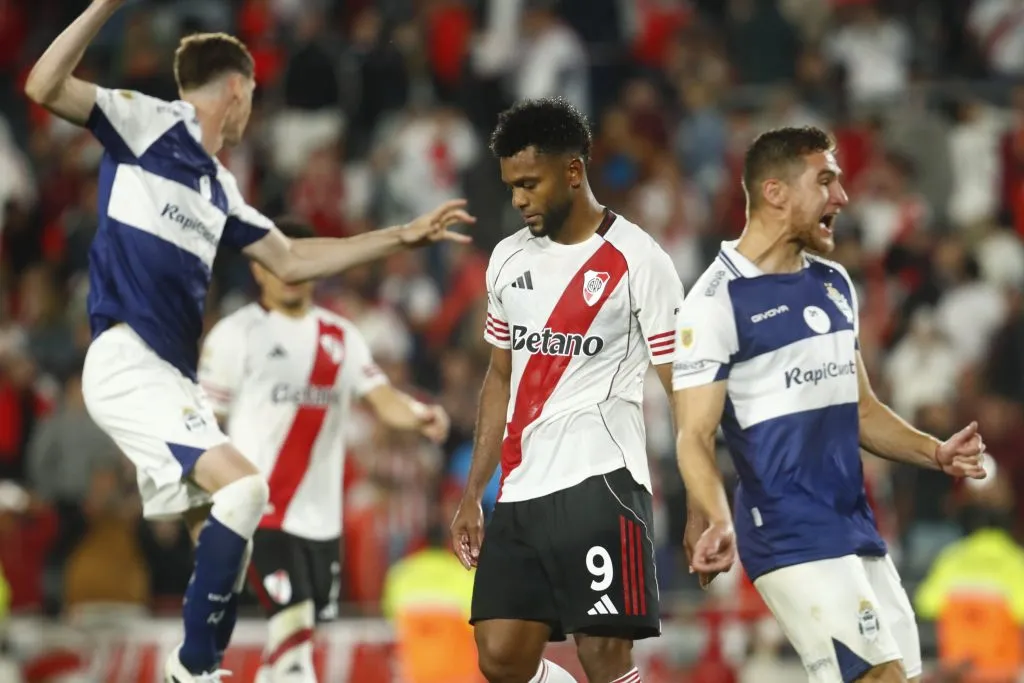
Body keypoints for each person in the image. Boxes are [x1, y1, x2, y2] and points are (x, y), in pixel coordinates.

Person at [23, 2, 473, 681]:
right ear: (236, 90)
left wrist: (399, 235)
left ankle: (220, 661)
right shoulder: (147, 123)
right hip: (127, 358)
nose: (250, 112)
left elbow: (290, 259)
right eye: (252, 97)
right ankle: (194, 667)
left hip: (170, 378)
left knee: (228, 524)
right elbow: (43, 86)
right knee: (245, 491)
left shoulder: (219, 185)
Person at [671, 126, 987, 683]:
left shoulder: (834, 284)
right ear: (775, 193)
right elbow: (693, 436)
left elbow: (860, 410)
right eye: (825, 181)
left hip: (854, 525)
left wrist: (934, 452)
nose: (841, 197)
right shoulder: (715, 304)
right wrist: (717, 519)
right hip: (788, 530)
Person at [449, 98, 685, 683]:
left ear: (574, 171)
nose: (519, 199)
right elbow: (499, 376)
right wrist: (474, 490)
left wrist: (703, 494)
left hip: (601, 480)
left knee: (604, 655)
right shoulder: (505, 260)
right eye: (510, 186)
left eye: (529, 183)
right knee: (501, 657)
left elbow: (680, 383)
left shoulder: (639, 260)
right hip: (523, 486)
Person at [198, 217, 451, 683]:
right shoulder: (236, 336)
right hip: (261, 517)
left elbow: (382, 399)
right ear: (257, 268)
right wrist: (203, 509)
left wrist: (419, 414)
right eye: (276, 259)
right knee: (293, 635)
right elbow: (204, 428)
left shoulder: (342, 338)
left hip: (322, 522)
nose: (290, 270)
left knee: (295, 640)